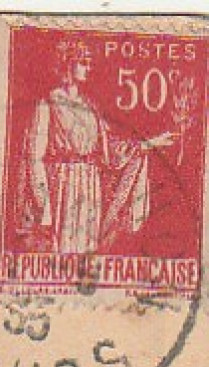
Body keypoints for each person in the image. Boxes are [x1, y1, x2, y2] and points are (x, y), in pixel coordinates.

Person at [21, 40, 176, 255]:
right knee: (61, 251)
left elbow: (110, 150)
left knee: (85, 254)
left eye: (88, 62)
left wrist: (149, 144)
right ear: (68, 64)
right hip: (62, 186)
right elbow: (34, 156)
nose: (88, 67)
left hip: (89, 186)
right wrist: (43, 204)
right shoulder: (48, 103)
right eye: (83, 62)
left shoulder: (90, 107)